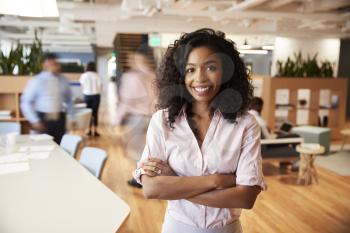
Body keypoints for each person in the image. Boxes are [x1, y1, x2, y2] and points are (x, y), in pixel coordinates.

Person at [133, 28, 266, 233]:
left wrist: (174, 185)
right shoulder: (162, 121)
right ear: (180, 75)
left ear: (226, 72)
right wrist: (217, 181)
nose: (200, 78)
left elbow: (246, 198)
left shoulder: (245, 124)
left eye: (211, 67)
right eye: (190, 69)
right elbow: (151, 189)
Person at [114, 46, 157, 188]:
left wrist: (117, 120)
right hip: (152, 118)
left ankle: (140, 179)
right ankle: (147, 176)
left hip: (136, 118)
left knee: (135, 150)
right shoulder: (154, 76)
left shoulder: (131, 76)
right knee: (148, 150)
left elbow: (126, 101)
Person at [21, 53, 74, 144]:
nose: (56, 67)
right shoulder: (37, 81)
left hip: (60, 118)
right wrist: (35, 120)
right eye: (52, 64)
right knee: (44, 147)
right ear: (45, 65)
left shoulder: (64, 80)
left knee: (61, 146)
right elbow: (25, 102)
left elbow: (69, 99)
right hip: (43, 119)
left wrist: (72, 116)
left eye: (57, 64)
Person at [80, 61, 102, 136]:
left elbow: (82, 86)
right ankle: (95, 131)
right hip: (96, 96)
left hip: (87, 96)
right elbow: (100, 86)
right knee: (95, 114)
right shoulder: (97, 75)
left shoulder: (83, 75)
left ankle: (89, 131)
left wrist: (85, 92)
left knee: (88, 113)